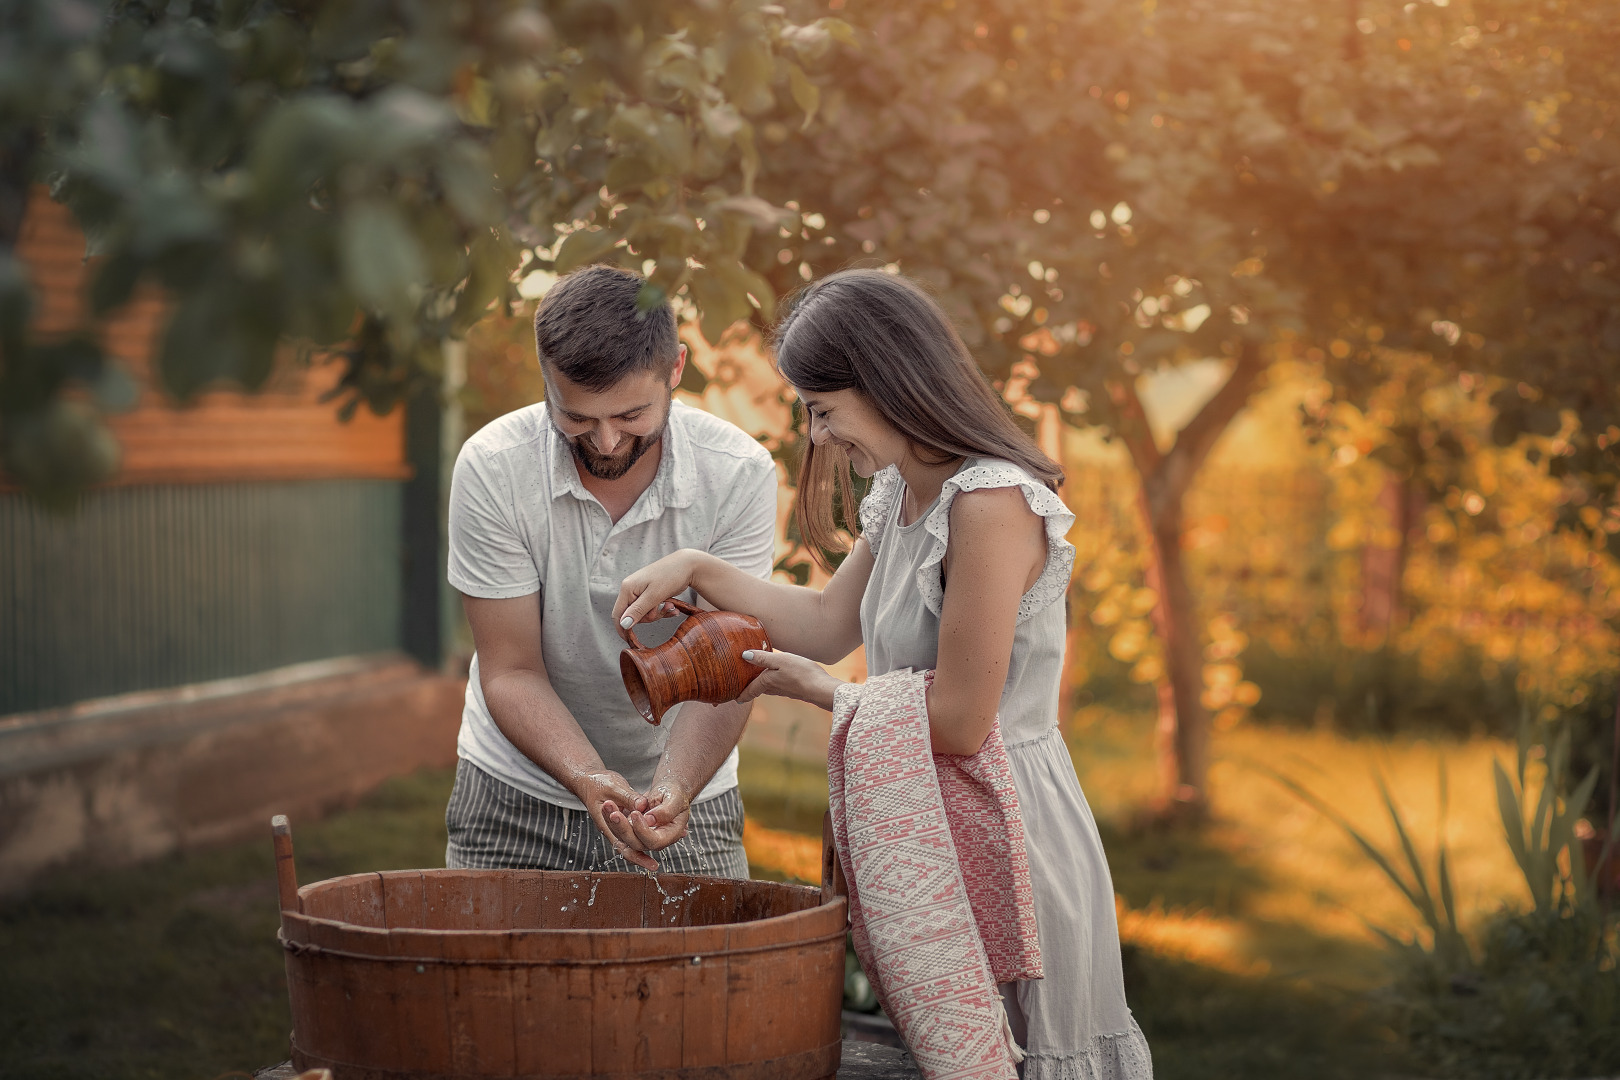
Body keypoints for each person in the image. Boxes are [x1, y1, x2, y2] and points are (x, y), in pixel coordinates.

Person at [614, 270, 1153, 1078]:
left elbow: (963, 719)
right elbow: (829, 626)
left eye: (824, 408)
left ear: (888, 383)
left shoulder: (990, 503)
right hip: (925, 824)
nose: (819, 435)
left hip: (1010, 832)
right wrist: (700, 569)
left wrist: (818, 692)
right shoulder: (906, 492)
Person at [443, 264, 777, 877]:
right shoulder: (493, 467)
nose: (604, 442)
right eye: (576, 418)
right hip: (516, 797)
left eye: (630, 416)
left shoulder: (738, 472)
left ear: (675, 370)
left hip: (687, 792)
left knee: (700, 974)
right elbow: (511, 668)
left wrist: (673, 790)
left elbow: (731, 667)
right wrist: (588, 775)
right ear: (546, 380)